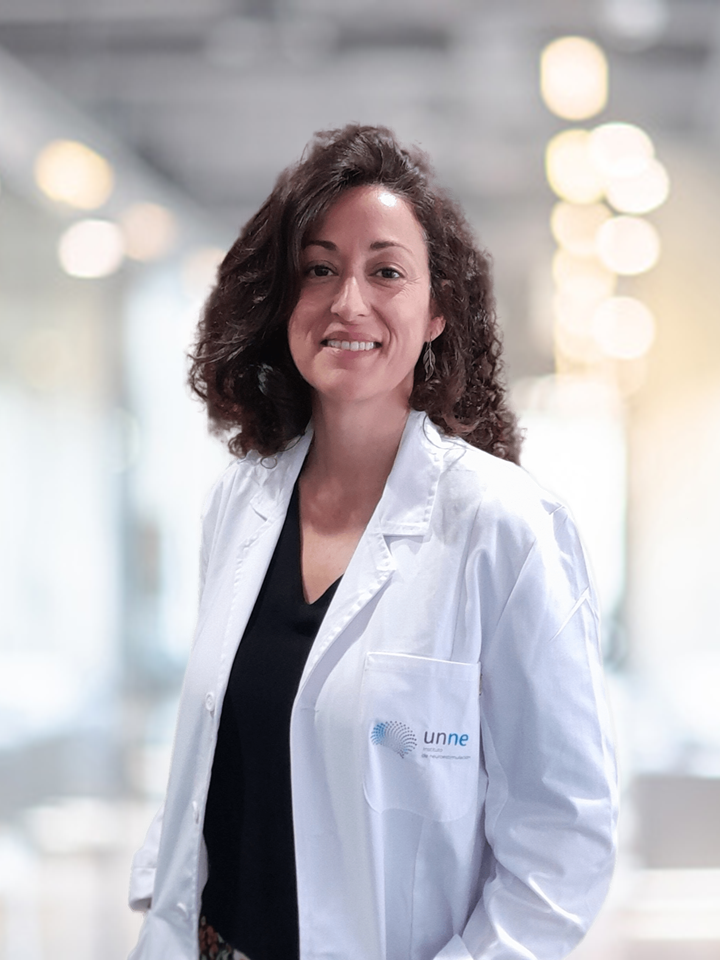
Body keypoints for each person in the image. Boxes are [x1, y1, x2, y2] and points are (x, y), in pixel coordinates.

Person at [128, 124, 617, 960]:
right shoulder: (238, 505)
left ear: (436, 311)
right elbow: (216, 758)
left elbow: (563, 838)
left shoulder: (504, 527)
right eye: (318, 269)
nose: (348, 302)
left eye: (386, 271)